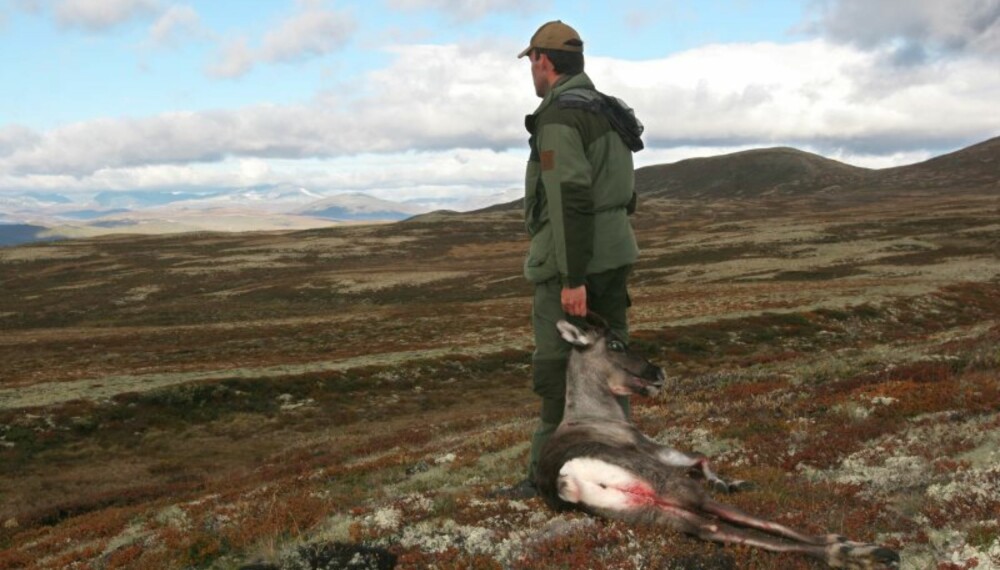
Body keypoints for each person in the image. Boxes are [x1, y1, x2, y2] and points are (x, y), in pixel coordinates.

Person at [508, 20, 643, 498]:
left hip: (574, 265)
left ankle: (545, 480)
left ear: (544, 61)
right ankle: (622, 472)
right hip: (614, 253)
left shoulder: (559, 117)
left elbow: (569, 197)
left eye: (531, 62)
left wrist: (572, 276)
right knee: (611, 366)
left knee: (554, 369)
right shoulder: (606, 110)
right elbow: (621, 189)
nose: (531, 70)